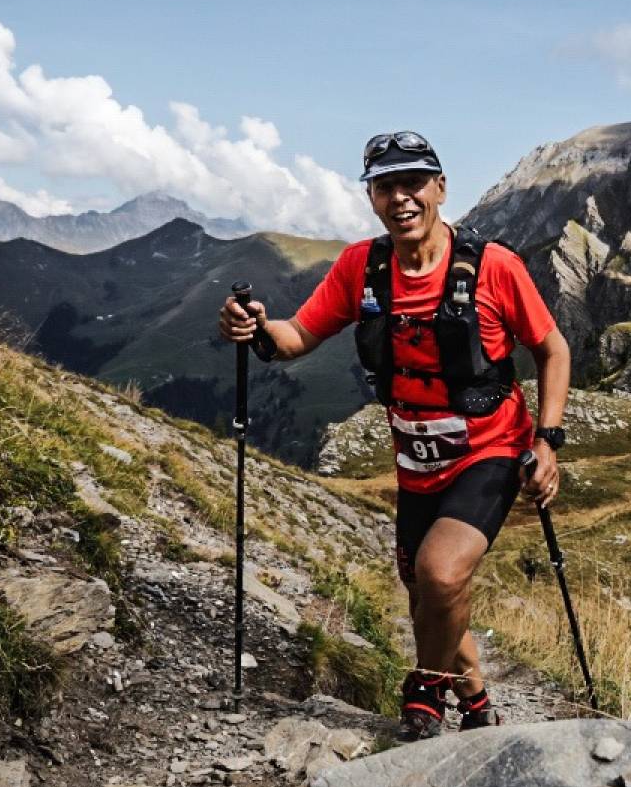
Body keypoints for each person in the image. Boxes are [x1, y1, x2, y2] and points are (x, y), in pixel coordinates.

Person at [218, 130, 570, 741]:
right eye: (386, 187)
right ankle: (476, 699)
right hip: (416, 463)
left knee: (441, 572)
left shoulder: (494, 267)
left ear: (441, 188)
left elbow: (552, 348)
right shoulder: (362, 267)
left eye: (413, 183)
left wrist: (547, 441)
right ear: (372, 198)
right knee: (426, 593)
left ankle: (424, 691)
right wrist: (257, 329)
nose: (401, 197)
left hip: (491, 448)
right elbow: (297, 337)